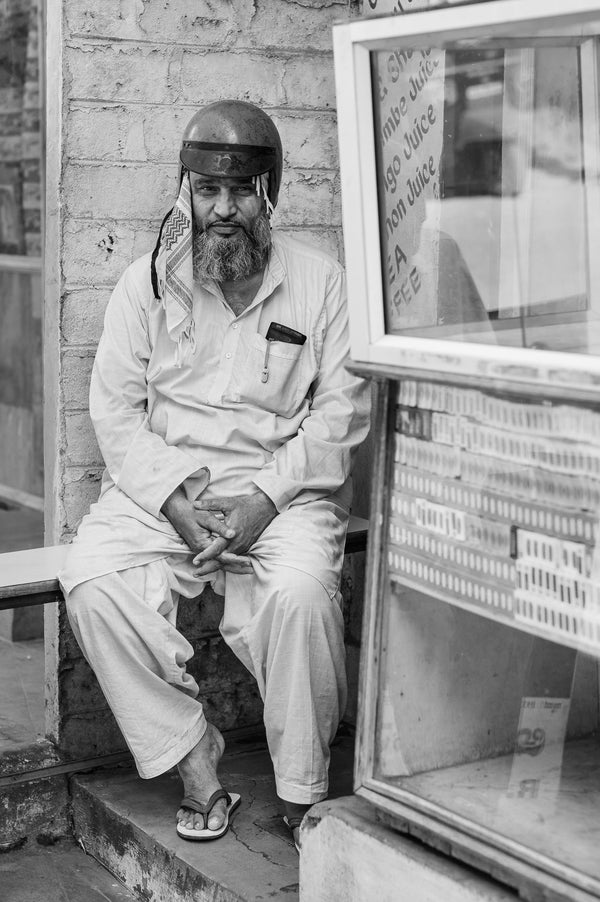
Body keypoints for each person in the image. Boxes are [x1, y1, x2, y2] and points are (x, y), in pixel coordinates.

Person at [58, 100, 371, 851]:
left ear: (271, 191)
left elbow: (338, 419)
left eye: (240, 191)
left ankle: (303, 795)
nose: (221, 211)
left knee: (300, 596)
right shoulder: (147, 285)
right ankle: (195, 757)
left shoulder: (323, 285)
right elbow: (117, 412)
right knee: (93, 582)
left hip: (281, 492)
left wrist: (264, 500)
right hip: (167, 492)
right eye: (206, 191)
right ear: (184, 189)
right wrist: (173, 502)